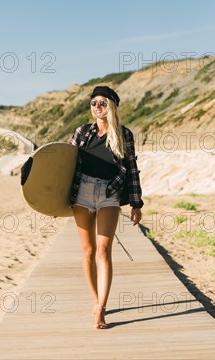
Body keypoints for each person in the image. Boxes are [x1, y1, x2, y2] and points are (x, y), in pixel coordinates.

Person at [69, 85, 143, 329]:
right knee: (88, 250)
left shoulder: (124, 135)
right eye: (93, 103)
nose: (97, 107)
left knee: (104, 249)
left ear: (111, 106)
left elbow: (131, 168)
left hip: (109, 193)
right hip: (83, 192)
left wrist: (136, 202)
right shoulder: (82, 132)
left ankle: (101, 307)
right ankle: (94, 299)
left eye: (102, 103)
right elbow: (66, 164)